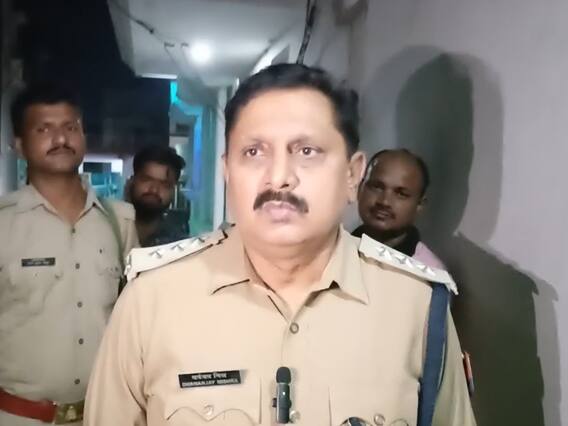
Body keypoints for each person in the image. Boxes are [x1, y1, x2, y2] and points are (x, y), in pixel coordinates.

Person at [84, 64, 475, 425]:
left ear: (352, 175)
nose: (279, 177)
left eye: (307, 151)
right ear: (227, 171)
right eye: (254, 152)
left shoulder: (417, 305)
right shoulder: (151, 300)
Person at [0, 83, 138, 425]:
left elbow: (137, 319)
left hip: (104, 415)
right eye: (44, 129)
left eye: (71, 127)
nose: (61, 139)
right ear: (19, 145)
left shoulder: (119, 221)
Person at [353, 149, 445, 269]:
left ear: (420, 205)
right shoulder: (334, 248)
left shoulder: (429, 273)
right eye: (377, 187)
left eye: (401, 194)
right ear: (360, 189)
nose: (384, 201)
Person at [127, 145, 188, 247]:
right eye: (147, 180)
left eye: (164, 184)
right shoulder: (109, 230)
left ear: (173, 191)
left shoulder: (180, 246)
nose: (154, 189)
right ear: (132, 181)